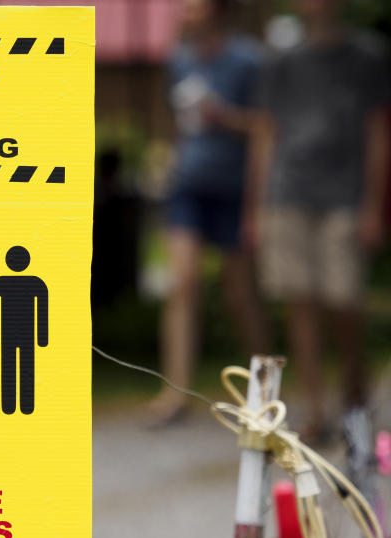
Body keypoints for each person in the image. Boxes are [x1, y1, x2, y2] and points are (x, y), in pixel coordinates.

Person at [245, 0, 390, 442]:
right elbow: (265, 134)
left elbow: (378, 131)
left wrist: (374, 205)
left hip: (344, 196)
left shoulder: (367, 55)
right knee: (299, 300)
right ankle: (315, 408)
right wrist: (255, 207)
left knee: (343, 297)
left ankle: (354, 393)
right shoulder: (280, 59)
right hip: (288, 194)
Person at [151, 0, 268, 424]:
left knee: (240, 295)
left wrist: (223, 116)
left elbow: (264, 127)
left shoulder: (248, 61)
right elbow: (175, 122)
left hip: (234, 190)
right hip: (187, 187)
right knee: (182, 285)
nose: (184, 10)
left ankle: (264, 390)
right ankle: (174, 393)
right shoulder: (177, 59)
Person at [0, 246, 48, 415]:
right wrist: (42, 338)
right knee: (17, 369)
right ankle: (14, 405)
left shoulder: (0, 283)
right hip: (21, 334)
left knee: (19, 369)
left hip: (16, 334)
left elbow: (42, 310)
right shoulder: (35, 283)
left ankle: (19, 405)